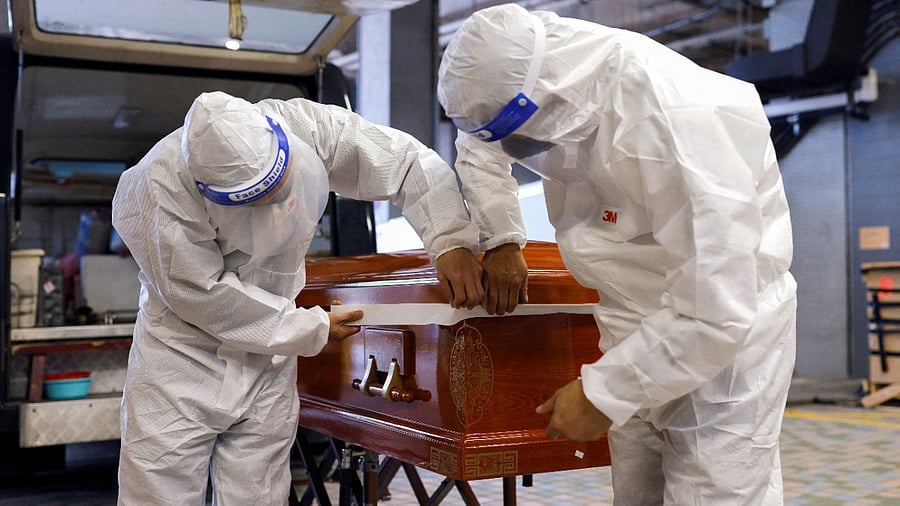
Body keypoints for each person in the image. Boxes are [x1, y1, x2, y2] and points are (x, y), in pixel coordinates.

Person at [437, 4, 797, 505]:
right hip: (629, 317)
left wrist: (604, 393)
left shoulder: (680, 123)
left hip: (724, 343)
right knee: (637, 491)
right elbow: (479, 143)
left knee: (714, 493)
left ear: (545, 93)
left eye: (515, 131)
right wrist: (501, 237)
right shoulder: (528, 88)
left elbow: (716, 307)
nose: (516, 147)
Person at [111, 91, 486, 505]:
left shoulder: (308, 127)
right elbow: (205, 296)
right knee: (159, 494)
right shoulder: (152, 187)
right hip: (181, 363)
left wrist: (450, 241)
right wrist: (310, 327)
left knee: (260, 497)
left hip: (268, 364)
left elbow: (405, 161)